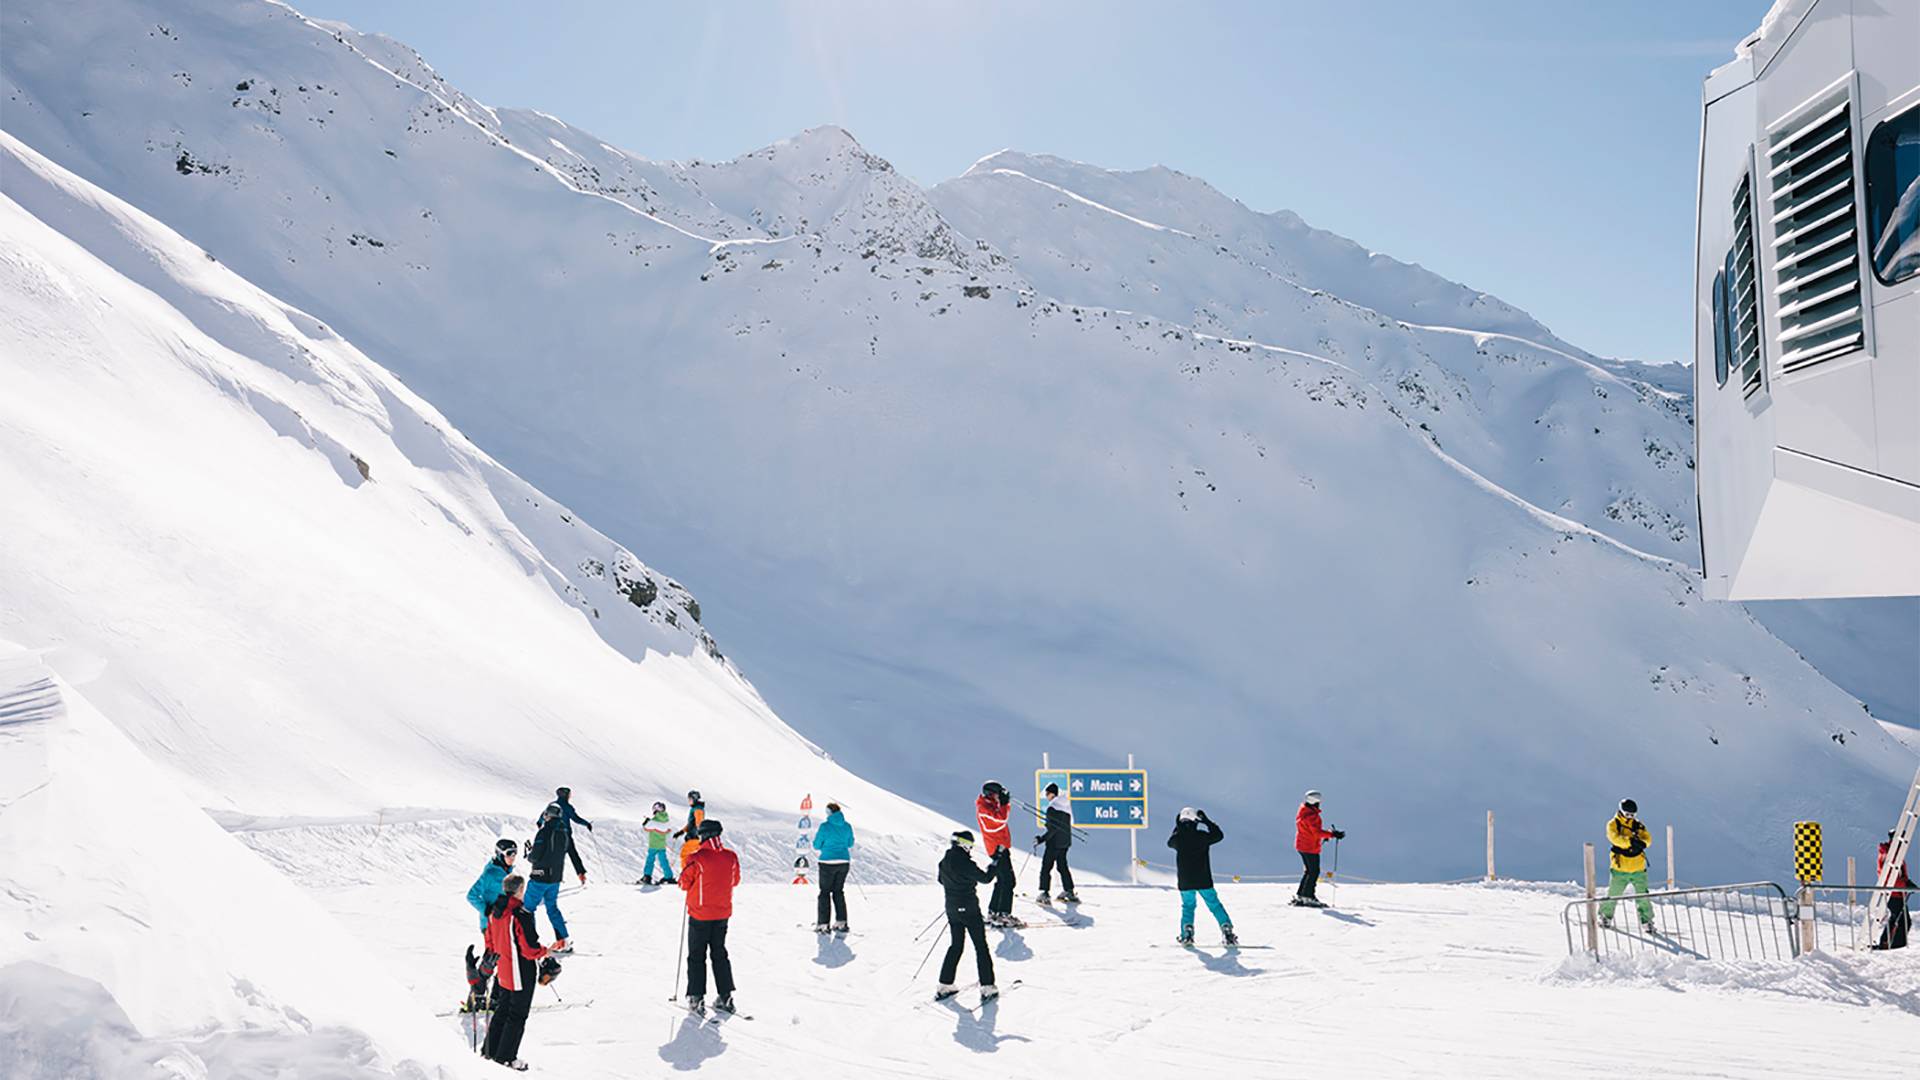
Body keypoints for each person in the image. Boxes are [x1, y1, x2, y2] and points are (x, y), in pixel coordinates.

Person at [482, 874, 550, 1070]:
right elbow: (529, 950)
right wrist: (546, 951)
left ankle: (490, 1051)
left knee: (503, 1010)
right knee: (517, 1015)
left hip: (503, 969)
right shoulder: (519, 914)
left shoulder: (494, 911)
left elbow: (490, 941)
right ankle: (506, 1058)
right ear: (520, 890)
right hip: (519, 970)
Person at [680, 818, 742, 1014]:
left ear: (703, 835)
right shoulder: (731, 857)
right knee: (719, 953)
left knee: (697, 956)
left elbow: (683, 883)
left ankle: (696, 997)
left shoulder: (696, 858)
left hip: (700, 914)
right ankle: (726, 996)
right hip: (722, 913)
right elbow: (735, 881)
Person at [935, 829, 998, 1000]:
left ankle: (945, 984)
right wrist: (994, 864)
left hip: (951, 908)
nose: (970, 848)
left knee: (956, 945)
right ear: (963, 844)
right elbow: (985, 878)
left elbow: (941, 880)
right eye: (969, 845)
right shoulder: (965, 863)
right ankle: (987, 986)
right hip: (969, 908)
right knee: (980, 946)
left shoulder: (944, 861)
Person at [1168, 807, 1236, 945]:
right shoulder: (1202, 836)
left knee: (1188, 907)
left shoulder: (1177, 839)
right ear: (1196, 821)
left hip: (1185, 881)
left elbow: (1170, 842)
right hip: (1204, 879)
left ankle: (1186, 933)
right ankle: (1226, 929)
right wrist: (1207, 821)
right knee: (1214, 905)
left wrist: (1178, 826)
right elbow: (1218, 835)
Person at [526, 801, 585, 952]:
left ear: (548, 815)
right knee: (552, 908)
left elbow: (536, 856)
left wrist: (529, 855)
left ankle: (529, 943)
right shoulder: (565, 834)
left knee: (527, 909)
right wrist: (581, 871)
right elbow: (571, 853)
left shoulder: (544, 832)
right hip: (555, 879)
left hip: (539, 877)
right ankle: (563, 941)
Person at [1599, 798, 1654, 930]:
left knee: (1642, 896)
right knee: (1613, 893)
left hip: (1638, 867)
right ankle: (1605, 916)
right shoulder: (1613, 824)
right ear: (1621, 811)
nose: (1630, 817)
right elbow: (1614, 838)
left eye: (1633, 815)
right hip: (1620, 867)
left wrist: (1643, 843)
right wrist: (1630, 842)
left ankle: (1647, 921)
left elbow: (1648, 838)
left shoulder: (1638, 825)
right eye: (1628, 814)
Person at [975, 781, 1020, 928]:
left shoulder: (990, 804)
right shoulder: (983, 809)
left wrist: (1003, 801)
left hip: (1000, 847)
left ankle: (994, 912)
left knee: (1002, 880)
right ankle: (1003, 914)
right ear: (990, 794)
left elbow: (1000, 815)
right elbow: (999, 821)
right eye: (997, 793)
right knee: (1008, 881)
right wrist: (1005, 804)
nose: (998, 796)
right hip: (997, 848)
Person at [1292, 790, 1344, 908]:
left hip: (1302, 845)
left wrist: (1326, 834)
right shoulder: (1313, 816)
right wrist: (1332, 834)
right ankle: (1308, 897)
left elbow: (1312, 831)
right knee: (1314, 872)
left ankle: (1302, 895)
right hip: (1310, 847)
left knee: (1309, 871)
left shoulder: (1303, 811)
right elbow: (1317, 832)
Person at [811, 801, 854, 932]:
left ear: (829, 813)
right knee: (838, 892)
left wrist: (826, 846)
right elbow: (850, 843)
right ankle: (841, 922)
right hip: (843, 862)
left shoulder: (825, 826)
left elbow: (817, 845)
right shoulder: (847, 826)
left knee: (824, 892)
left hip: (827, 862)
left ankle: (823, 924)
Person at [1034, 782, 1079, 904]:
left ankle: (1044, 892)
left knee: (1046, 867)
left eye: (1047, 794)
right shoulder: (1066, 807)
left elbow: (1052, 829)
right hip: (1065, 843)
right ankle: (1069, 891)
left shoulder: (1052, 808)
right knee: (1062, 866)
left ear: (1052, 794)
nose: (1046, 796)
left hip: (1053, 843)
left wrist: (1041, 839)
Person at [466, 837, 518, 932]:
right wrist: (486, 910)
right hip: (490, 924)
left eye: (515, 853)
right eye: (509, 853)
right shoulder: (490, 874)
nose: (512, 858)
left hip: (502, 920)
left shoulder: (507, 871)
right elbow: (471, 896)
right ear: (500, 854)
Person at [1874, 829, 1913, 950]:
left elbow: (1899, 874)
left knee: (1899, 919)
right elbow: (1888, 876)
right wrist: (1906, 884)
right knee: (1902, 920)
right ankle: (1893, 945)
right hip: (1893, 892)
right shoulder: (1889, 854)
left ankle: (1887, 943)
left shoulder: (1895, 853)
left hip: (1897, 892)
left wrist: (1906, 882)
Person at [641, 801, 677, 885]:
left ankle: (647, 876)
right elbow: (667, 830)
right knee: (663, 861)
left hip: (653, 845)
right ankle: (668, 876)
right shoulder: (666, 820)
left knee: (650, 860)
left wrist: (646, 821)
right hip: (661, 845)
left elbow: (646, 827)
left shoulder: (654, 820)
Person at [674, 790, 707, 867]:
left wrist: (700, 834)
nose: (689, 801)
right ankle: (689, 875)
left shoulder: (698, 809)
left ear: (695, 799)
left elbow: (699, 823)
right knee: (689, 857)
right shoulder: (695, 808)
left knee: (685, 856)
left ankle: (686, 876)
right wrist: (681, 832)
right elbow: (690, 824)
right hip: (692, 837)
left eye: (690, 799)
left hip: (694, 838)